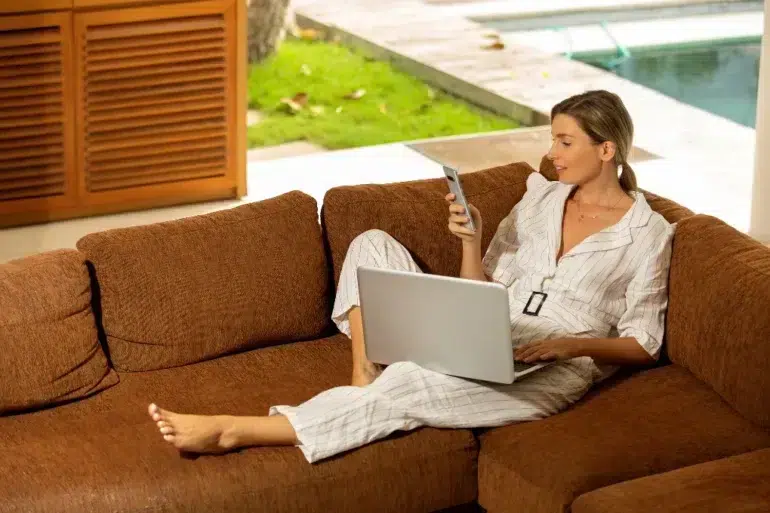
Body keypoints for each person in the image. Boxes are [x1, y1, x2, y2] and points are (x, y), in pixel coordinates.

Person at [147, 90, 675, 463]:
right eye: (553, 141)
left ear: (606, 150)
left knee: (410, 383)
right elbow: (483, 291)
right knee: (371, 244)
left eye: (565, 143)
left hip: (558, 365)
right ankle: (363, 368)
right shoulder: (539, 198)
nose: (552, 155)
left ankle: (235, 431)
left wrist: (566, 345)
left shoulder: (650, 233)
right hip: (491, 326)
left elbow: (644, 343)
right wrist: (470, 242)